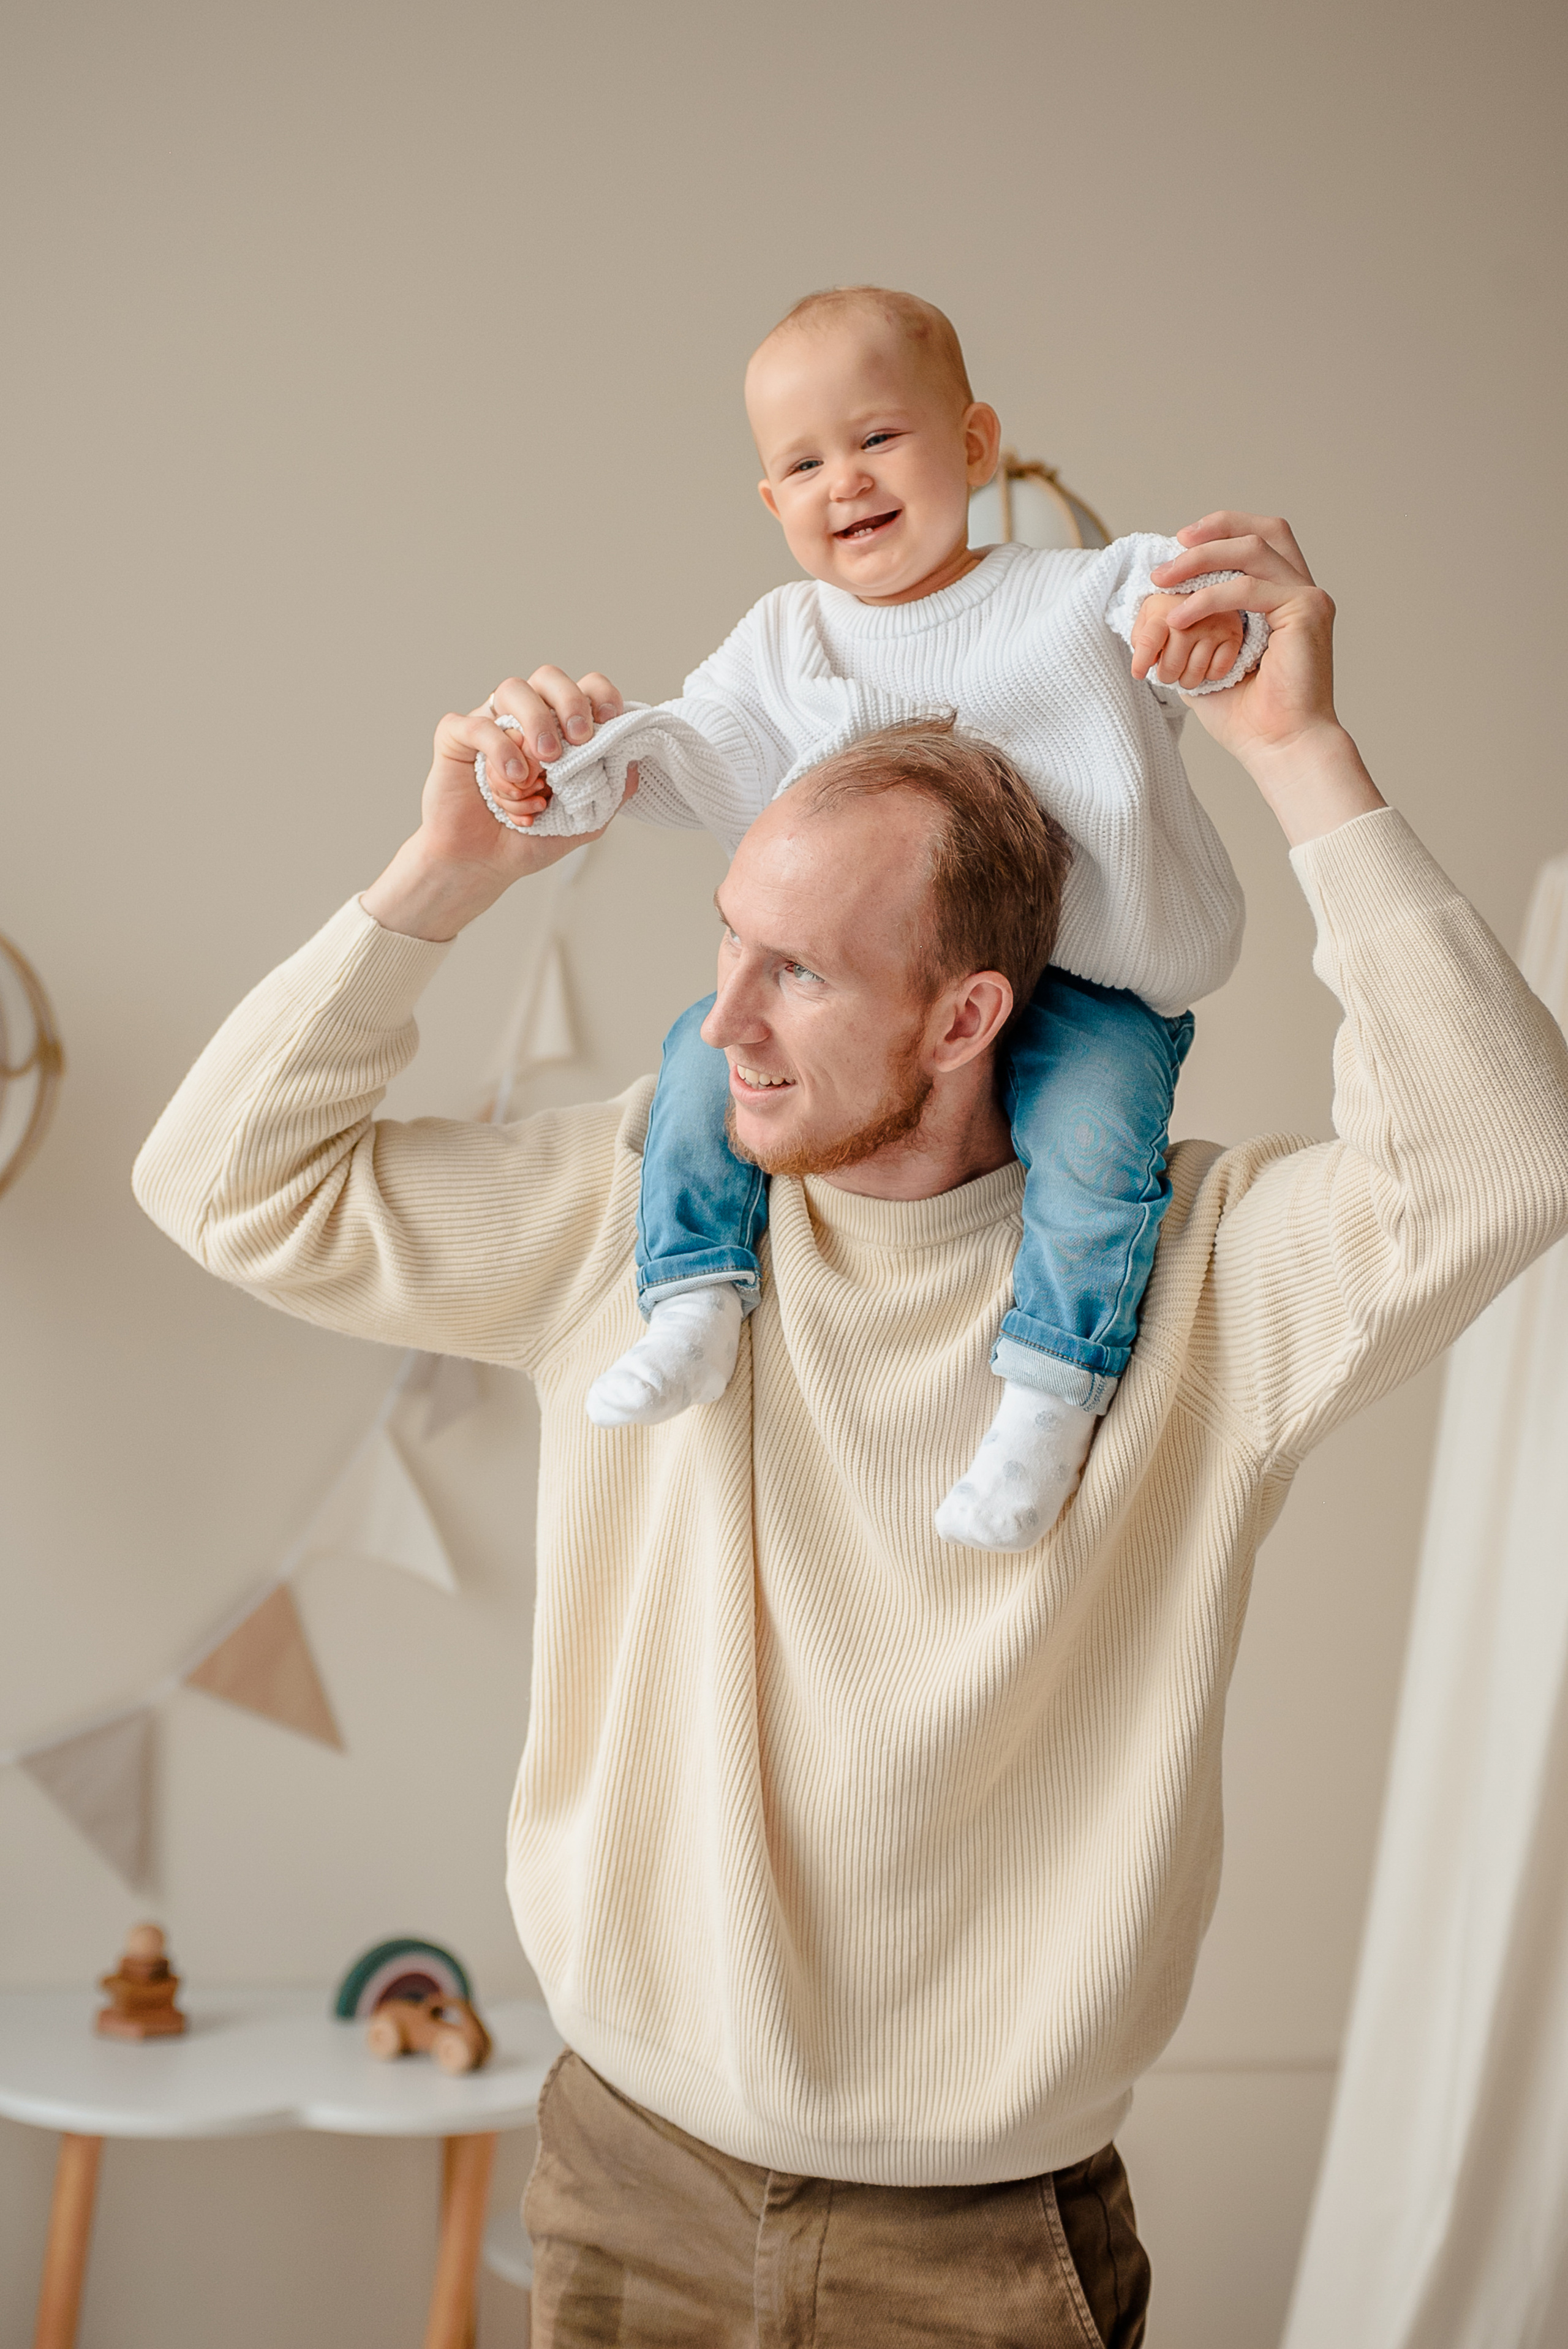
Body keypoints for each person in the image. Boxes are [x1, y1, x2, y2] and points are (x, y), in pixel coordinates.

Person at [134, 518, 1568, 2348]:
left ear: (970, 1013)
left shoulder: (1209, 1283)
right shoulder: (640, 1221)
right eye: (727, 942)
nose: (719, 1020)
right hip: (622, 2168)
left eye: (797, 973)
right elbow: (219, 1180)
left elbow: (1506, 1155)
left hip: (977, 2249)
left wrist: (1299, 756)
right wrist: (446, 871)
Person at [473, 285, 1268, 1553]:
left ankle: (1050, 1391)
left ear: (972, 444)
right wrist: (569, 774)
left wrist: (1205, 633)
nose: (843, 480)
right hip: (893, 988)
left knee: (1095, 1148)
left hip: (1086, 973)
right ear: (770, 502)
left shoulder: (1074, 592)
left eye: (877, 438)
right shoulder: (790, 638)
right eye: (802, 461)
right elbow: (694, 750)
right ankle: (691, 1295)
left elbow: (1183, 634)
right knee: (697, 1059)